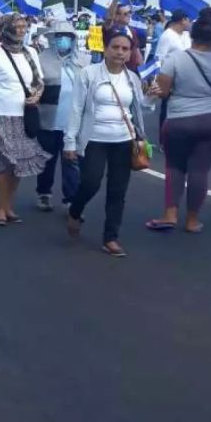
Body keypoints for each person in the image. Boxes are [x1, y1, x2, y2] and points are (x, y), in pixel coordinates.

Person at [64, 26, 147, 257]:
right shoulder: (89, 74)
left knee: (118, 190)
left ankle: (110, 237)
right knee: (91, 182)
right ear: (106, 48)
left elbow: (141, 108)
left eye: (125, 49)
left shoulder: (132, 79)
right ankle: (75, 210)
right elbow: (76, 108)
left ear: (130, 53)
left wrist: (151, 96)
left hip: (123, 140)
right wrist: (69, 141)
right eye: (116, 47)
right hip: (94, 139)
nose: (120, 52)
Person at [146, 8, 211, 234]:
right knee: (200, 170)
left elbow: (162, 90)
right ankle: (192, 221)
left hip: (180, 120)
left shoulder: (177, 58)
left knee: (175, 167)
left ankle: (170, 214)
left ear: (192, 36)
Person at [0, 13, 50, 225]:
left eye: (23, 26)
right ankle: (0, 209)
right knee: (5, 162)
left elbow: (39, 82)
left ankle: (9, 205)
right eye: (17, 26)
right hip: (0, 115)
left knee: (18, 164)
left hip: (23, 116)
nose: (21, 30)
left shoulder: (30, 52)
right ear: (7, 29)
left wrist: (36, 96)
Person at [34, 20, 83, 211]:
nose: (64, 40)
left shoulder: (81, 62)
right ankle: (44, 193)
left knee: (71, 162)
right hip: (47, 120)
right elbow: (34, 86)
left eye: (69, 37)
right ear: (52, 38)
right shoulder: (41, 60)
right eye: (60, 36)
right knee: (46, 160)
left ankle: (71, 199)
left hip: (72, 122)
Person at [154, 9, 192, 134]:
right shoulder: (167, 35)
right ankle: (163, 139)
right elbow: (159, 57)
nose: (190, 23)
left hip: (185, 79)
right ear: (182, 20)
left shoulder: (186, 36)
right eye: (188, 20)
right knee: (167, 109)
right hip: (170, 79)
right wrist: (160, 80)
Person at [102, 0, 142, 68]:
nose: (129, 15)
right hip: (112, 69)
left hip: (130, 71)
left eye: (129, 13)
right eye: (126, 13)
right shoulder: (111, 28)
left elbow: (137, 53)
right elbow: (109, 18)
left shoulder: (131, 30)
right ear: (116, 16)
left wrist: (143, 72)